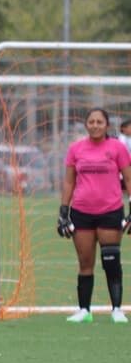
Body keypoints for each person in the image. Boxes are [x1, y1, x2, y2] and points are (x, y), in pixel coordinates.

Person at [57, 107, 131, 324]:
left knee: (111, 260)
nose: (95, 125)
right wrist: (64, 210)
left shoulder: (117, 148)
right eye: (92, 122)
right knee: (85, 262)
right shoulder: (76, 149)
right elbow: (69, 181)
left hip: (110, 211)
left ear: (107, 125)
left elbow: (128, 178)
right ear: (86, 125)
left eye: (100, 122)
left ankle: (117, 309)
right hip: (81, 212)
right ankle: (84, 310)